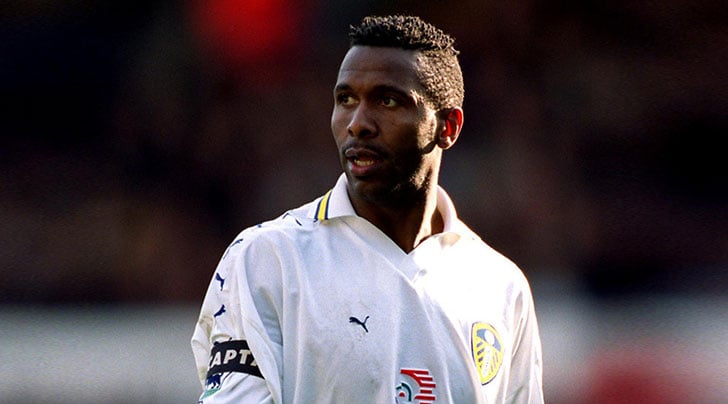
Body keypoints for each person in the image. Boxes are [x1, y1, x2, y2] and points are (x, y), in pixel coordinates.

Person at [191, 14, 543, 403]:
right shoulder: (267, 259)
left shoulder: (500, 286)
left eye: (387, 100)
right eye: (346, 100)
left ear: (448, 127)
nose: (357, 123)